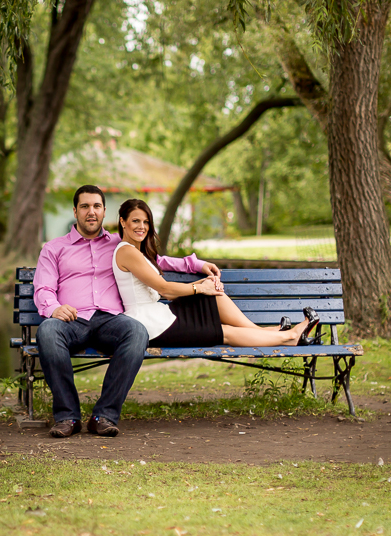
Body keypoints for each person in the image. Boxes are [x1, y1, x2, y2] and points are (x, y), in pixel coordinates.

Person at [33, 185, 222, 439]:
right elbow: (43, 288)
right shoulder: (54, 248)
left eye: (97, 206)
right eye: (85, 206)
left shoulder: (117, 244)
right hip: (72, 320)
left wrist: (195, 263)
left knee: (136, 332)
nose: (91, 212)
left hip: (111, 320)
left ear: (104, 211)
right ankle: (67, 416)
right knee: (47, 330)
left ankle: (104, 416)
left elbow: (156, 261)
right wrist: (55, 308)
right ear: (75, 211)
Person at [113, 198, 320, 348]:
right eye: (136, 221)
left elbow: (168, 283)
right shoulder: (126, 252)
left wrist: (203, 282)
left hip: (161, 315)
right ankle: (289, 337)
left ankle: (268, 332)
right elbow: (165, 289)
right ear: (123, 222)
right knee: (225, 333)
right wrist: (198, 287)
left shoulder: (139, 252)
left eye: (146, 222)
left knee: (214, 297)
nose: (142, 227)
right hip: (151, 326)